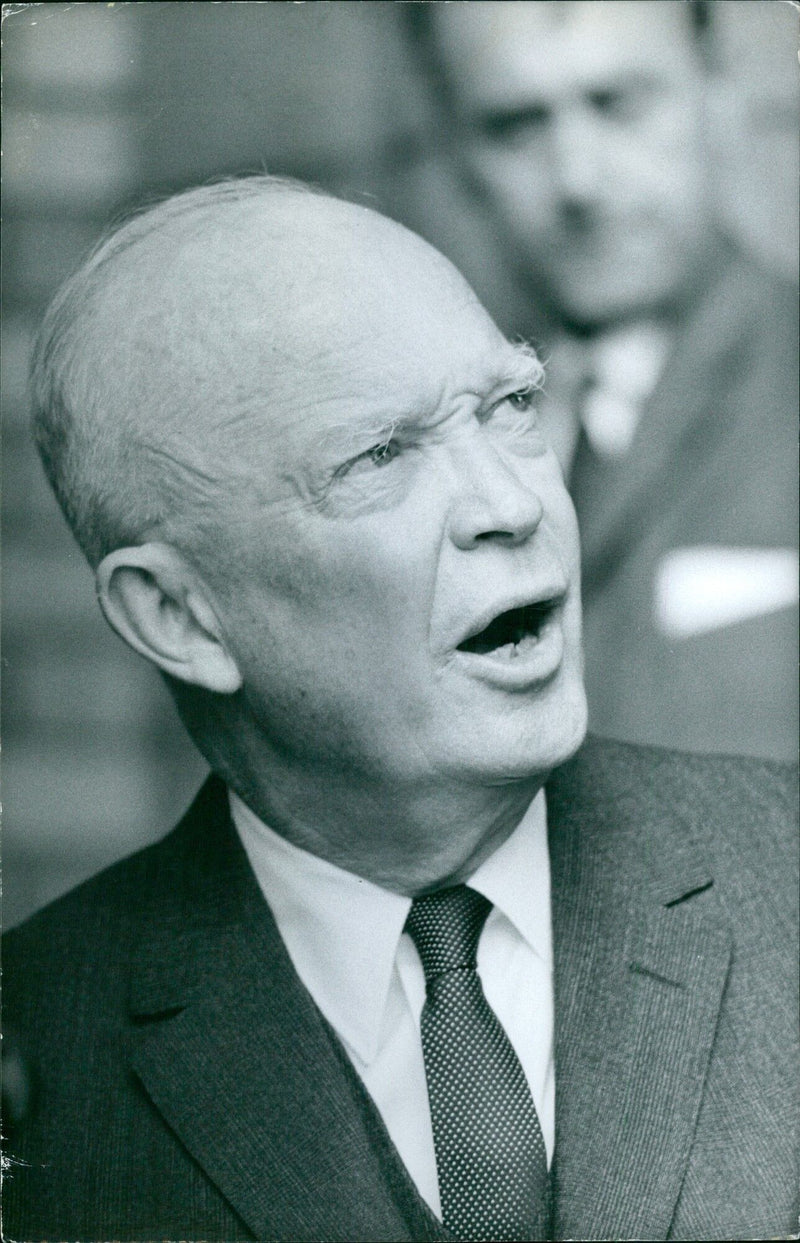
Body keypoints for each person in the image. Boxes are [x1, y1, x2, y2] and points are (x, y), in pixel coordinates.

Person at [3, 177, 797, 1243]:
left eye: (511, 407)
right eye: (378, 455)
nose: (514, 504)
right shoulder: (40, 1046)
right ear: (179, 616)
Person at [406, 0, 799, 762]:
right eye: (515, 125)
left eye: (619, 105)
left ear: (718, 91)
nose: (578, 180)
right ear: (455, 149)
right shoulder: (414, 433)